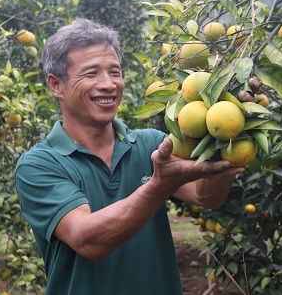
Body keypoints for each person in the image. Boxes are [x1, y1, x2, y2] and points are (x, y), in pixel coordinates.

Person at [15, 18, 251, 294]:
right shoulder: (38, 165)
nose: (108, 84)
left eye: (115, 72)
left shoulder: (151, 145)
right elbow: (88, 239)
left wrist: (221, 142)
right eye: (91, 73)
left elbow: (206, 196)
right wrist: (158, 185)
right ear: (56, 85)